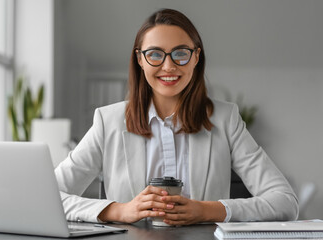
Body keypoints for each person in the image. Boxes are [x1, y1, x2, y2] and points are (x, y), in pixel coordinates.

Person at [54, 8, 298, 225]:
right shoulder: (108, 121)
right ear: (140, 59)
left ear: (196, 57)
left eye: (180, 53)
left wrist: (208, 210)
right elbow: (48, 196)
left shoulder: (226, 119)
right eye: (155, 54)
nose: (168, 66)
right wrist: (119, 210)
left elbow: (285, 202)